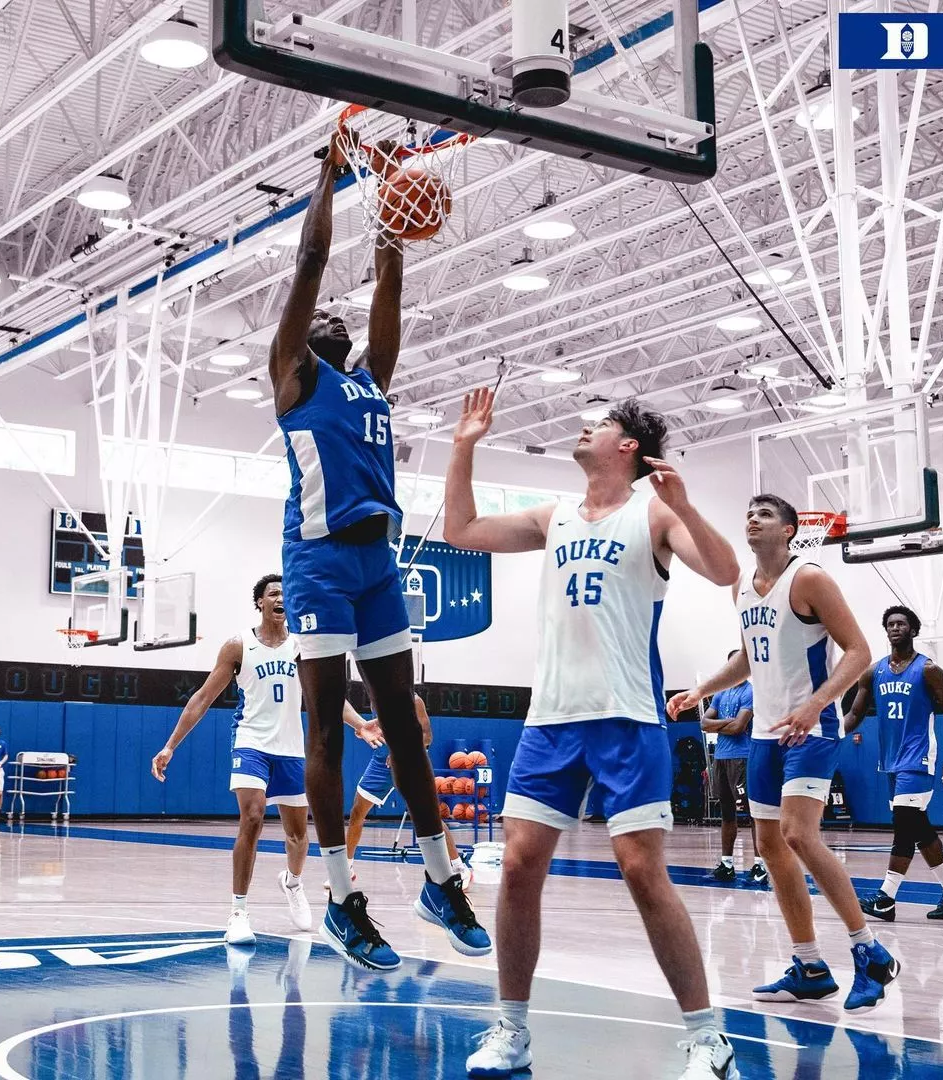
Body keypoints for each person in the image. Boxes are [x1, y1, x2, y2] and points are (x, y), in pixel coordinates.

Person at [446, 387, 741, 1080]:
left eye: (599, 422)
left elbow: (727, 572)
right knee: (518, 869)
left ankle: (706, 1036)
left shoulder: (655, 510)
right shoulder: (556, 516)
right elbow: (461, 531)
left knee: (643, 871)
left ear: (627, 446)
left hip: (626, 714)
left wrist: (690, 504)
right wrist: (463, 448)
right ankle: (511, 1028)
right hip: (551, 716)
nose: (584, 426)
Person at [268, 129, 489, 970]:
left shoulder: (371, 376)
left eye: (337, 321)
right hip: (318, 562)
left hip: (377, 566)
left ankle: (440, 881)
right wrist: (331, 175)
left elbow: (385, 281)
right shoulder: (295, 373)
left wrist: (395, 208)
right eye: (320, 318)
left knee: (404, 724)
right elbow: (313, 263)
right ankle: (341, 898)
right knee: (327, 730)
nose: (329, 319)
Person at [668, 494, 901, 1013]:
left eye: (765, 514)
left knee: (798, 835)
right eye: (749, 511)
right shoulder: (742, 591)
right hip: (766, 737)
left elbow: (860, 651)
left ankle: (869, 950)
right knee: (771, 848)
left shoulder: (810, 579)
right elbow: (750, 661)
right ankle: (810, 965)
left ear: (791, 530)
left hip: (811, 730)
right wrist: (700, 690)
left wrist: (816, 704)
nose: (752, 518)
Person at [150, 573, 383, 945]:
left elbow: (326, 696)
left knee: (298, 835)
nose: (281, 599)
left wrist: (359, 725)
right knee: (253, 816)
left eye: (286, 595)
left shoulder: (301, 647)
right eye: (274, 594)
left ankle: (292, 882)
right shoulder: (238, 645)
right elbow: (202, 698)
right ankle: (239, 912)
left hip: (291, 749)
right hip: (251, 743)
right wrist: (170, 745)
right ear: (259, 602)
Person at [844, 605, 943, 921]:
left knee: (903, 826)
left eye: (901, 623)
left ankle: (885, 899)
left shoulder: (928, 670)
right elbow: (855, 715)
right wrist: (823, 731)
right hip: (890, 762)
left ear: (913, 630)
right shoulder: (873, 672)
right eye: (890, 624)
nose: (895, 628)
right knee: (918, 828)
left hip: (918, 758)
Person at [343, 695, 472, 891]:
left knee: (429, 817)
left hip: (411, 761)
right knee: (356, 813)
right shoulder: (375, 696)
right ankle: (346, 869)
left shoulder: (413, 699)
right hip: (381, 763)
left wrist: (400, 752)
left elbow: (427, 736)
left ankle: (459, 867)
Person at [701, 651, 766, 885]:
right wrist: (726, 724)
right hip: (721, 757)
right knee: (727, 814)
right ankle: (727, 864)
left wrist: (717, 725)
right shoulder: (720, 693)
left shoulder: (750, 692)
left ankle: (760, 866)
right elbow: (703, 723)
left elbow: (739, 727)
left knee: (753, 815)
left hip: (743, 758)